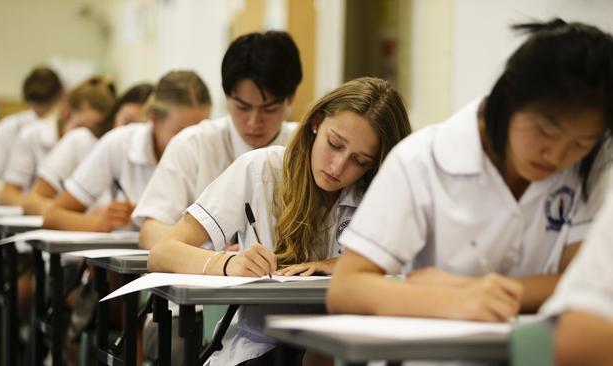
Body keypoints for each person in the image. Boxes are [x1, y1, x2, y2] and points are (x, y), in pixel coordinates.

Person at [327, 19, 613, 324]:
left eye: (581, 143)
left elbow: (580, 285)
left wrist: (469, 289)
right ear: (510, 96)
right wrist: (453, 301)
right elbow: (347, 290)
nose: (557, 155)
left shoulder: (592, 166)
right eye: (545, 131)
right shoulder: (422, 160)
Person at [148, 77, 412, 366]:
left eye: (360, 161)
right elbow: (163, 252)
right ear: (315, 123)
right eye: (334, 144)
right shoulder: (261, 170)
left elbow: (413, 264)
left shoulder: (375, 191)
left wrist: (340, 266)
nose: (338, 167)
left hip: (349, 347)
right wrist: (227, 263)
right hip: (260, 348)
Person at [133, 30, 303, 250]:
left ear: (291, 97)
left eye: (268, 109)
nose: (254, 121)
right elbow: (151, 232)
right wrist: (213, 252)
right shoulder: (193, 145)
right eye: (242, 107)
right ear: (226, 96)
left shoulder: (306, 148)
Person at [42, 70, 211, 232]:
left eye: (200, 131)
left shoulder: (213, 147)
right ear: (154, 119)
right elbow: (53, 216)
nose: (192, 143)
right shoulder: (119, 143)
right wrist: (99, 223)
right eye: (180, 132)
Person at [22, 83, 153, 215]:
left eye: (144, 127)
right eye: (128, 122)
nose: (133, 133)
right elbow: (33, 201)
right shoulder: (81, 141)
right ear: (115, 115)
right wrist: (80, 217)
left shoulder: (154, 159)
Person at [0, 76, 116, 206]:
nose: (86, 136)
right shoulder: (31, 136)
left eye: (94, 131)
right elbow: (7, 195)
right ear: (66, 111)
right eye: (81, 126)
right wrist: (59, 212)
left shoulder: (92, 145)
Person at [0, 66, 63, 197]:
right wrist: (17, 200)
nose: (40, 111)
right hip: (17, 207)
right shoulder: (11, 127)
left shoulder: (70, 132)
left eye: (46, 106)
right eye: (35, 105)